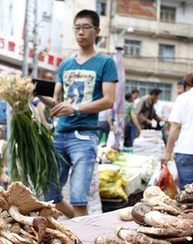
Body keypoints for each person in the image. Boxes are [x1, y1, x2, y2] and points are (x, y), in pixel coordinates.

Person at [38, 9, 118, 218]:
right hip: (60, 134)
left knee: (79, 197)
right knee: (50, 195)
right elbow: (56, 102)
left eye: (86, 27)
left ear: (97, 31)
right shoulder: (65, 65)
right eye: (77, 28)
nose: (80, 32)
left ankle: (83, 243)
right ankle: (79, 224)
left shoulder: (106, 62)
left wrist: (76, 108)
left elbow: (109, 100)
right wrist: (33, 94)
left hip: (85, 135)